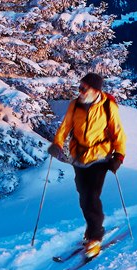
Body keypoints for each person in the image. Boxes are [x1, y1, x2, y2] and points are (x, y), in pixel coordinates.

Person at [49, 72, 126, 259]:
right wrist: (57, 143)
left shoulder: (108, 106)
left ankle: (95, 236)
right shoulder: (75, 105)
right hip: (79, 156)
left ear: (95, 90)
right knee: (83, 197)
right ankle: (92, 227)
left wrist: (119, 155)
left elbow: (118, 132)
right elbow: (65, 126)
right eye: (80, 87)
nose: (80, 90)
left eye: (84, 88)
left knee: (91, 196)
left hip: (100, 156)